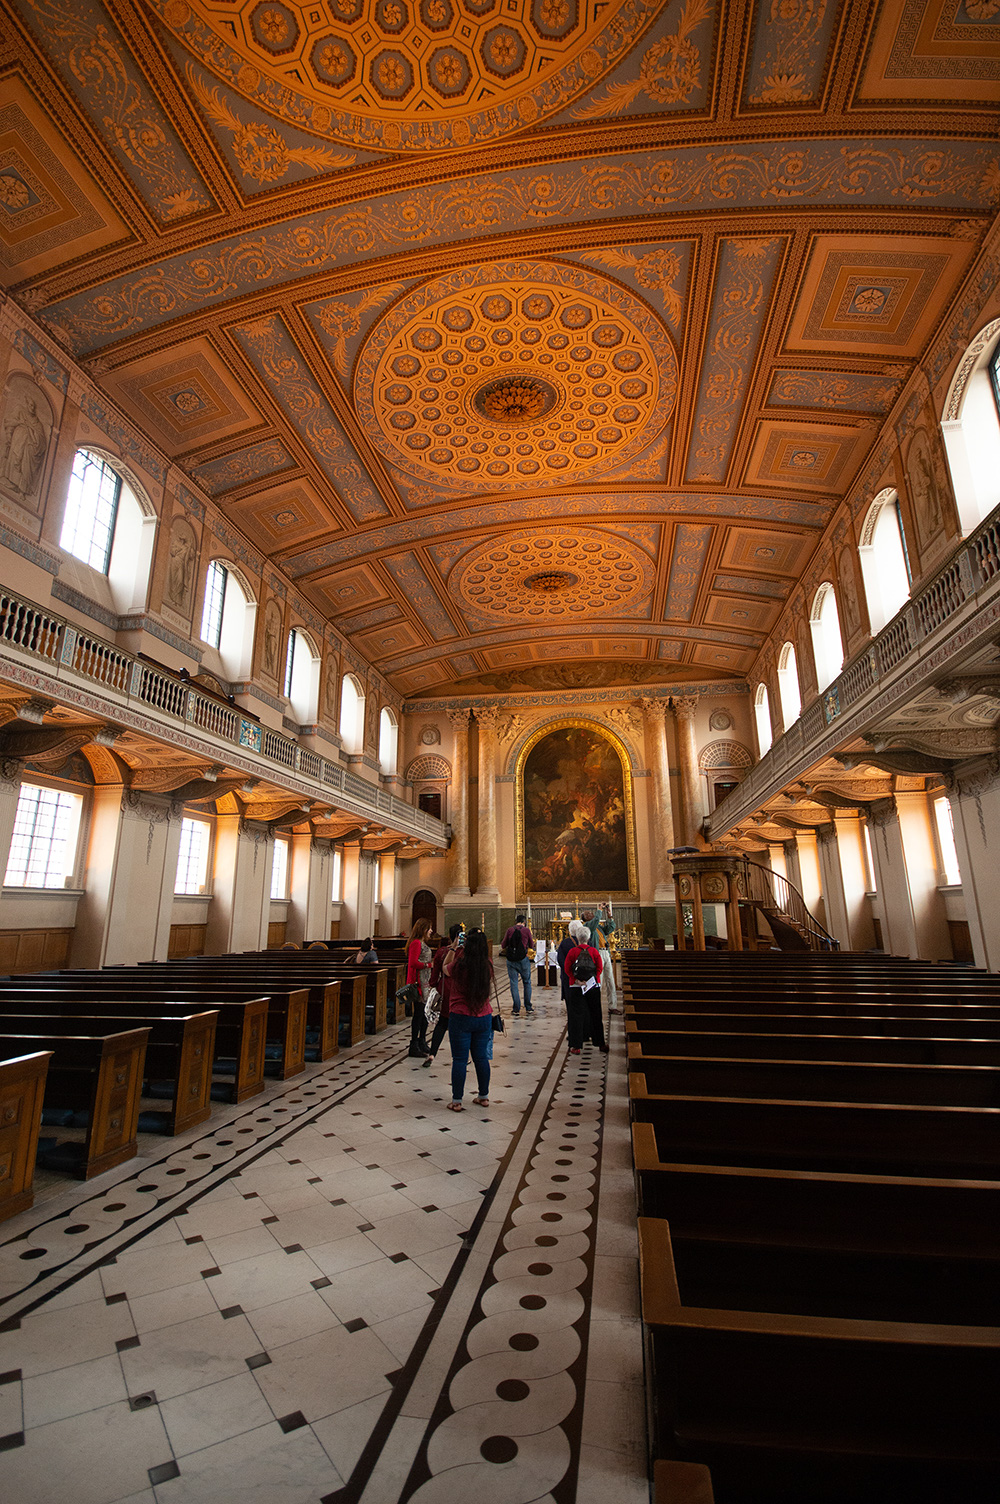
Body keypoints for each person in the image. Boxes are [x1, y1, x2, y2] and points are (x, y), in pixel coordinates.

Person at [443, 927, 493, 1109]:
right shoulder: (487, 965)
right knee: (481, 1058)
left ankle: (457, 1101)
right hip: (483, 1016)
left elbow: (443, 969)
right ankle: (484, 1096)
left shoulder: (459, 964)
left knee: (459, 1059)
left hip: (461, 1016)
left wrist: (453, 948)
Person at [563, 918, 607, 1055]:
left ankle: (575, 1046)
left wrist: (576, 981)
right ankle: (600, 1043)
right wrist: (591, 981)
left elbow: (567, 969)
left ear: (577, 937)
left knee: (576, 1016)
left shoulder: (573, 952)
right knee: (595, 1014)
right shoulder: (594, 951)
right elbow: (600, 968)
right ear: (588, 938)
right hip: (593, 987)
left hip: (576, 987)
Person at [423, 922, 462, 1069]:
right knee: (460, 1026)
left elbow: (434, 976)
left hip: (444, 990)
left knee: (442, 1024)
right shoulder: (463, 952)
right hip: (459, 991)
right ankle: (461, 1055)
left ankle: (432, 1054)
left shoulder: (441, 952)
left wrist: (434, 985)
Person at [583, 904, 618, 1013]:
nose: (591, 914)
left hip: (605, 953)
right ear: (585, 918)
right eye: (588, 914)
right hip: (597, 955)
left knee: (610, 980)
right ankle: (596, 1006)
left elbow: (609, 929)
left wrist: (610, 916)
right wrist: (599, 910)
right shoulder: (588, 926)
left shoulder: (598, 926)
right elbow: (594, 923)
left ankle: (613, 1006)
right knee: (599, 980)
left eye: (591, 912)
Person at [500, 911, 534, 1016]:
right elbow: (531, 945)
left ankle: (516, 1008)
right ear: (524, 922)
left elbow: (503, 944)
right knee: (527, 982)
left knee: (514, 983)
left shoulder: (510, 930)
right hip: (523, 959)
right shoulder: (526, 930)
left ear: (516, 922)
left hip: (511, 960)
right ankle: (528, 1007)